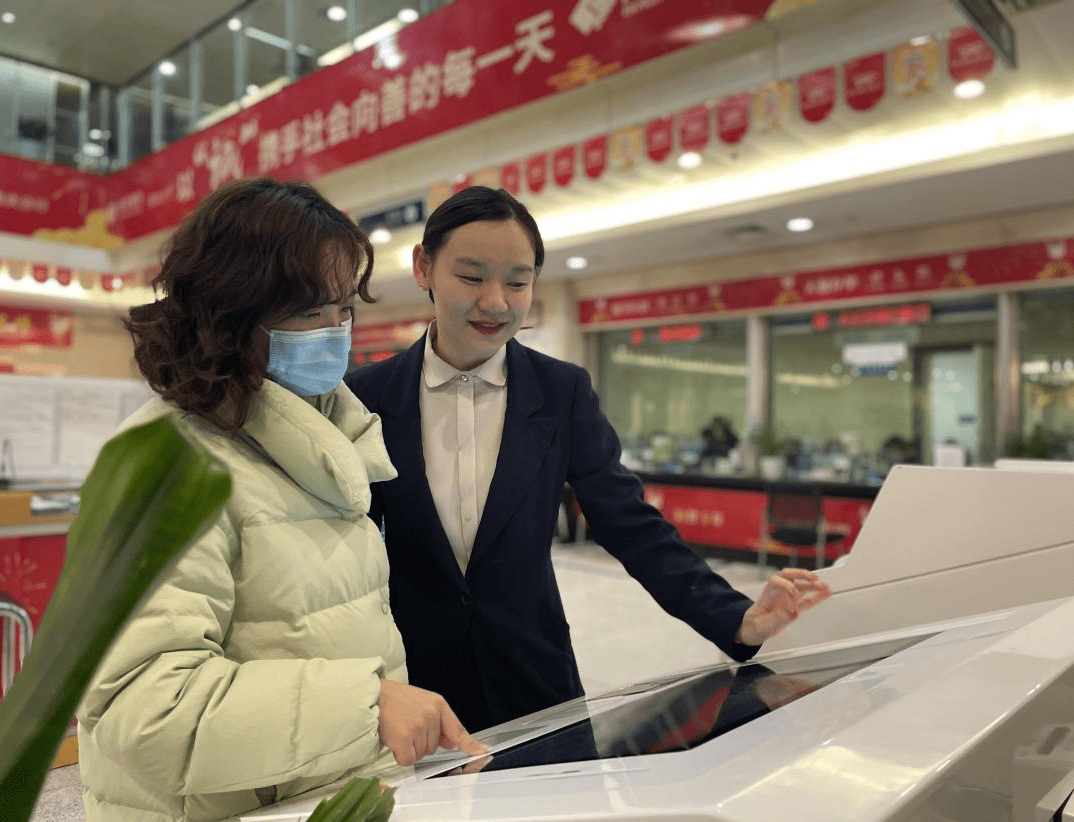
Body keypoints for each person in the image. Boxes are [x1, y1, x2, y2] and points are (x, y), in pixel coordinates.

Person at [346, 186, 832, 733]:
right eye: (472, 277)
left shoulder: (560, 392)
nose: (496, 302)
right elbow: (343, 554)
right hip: (410, 682)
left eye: (517, 281)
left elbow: (630, 524)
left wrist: (735, 617)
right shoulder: (364, 397)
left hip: (535, 679)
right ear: (423, 268)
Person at [76, 178, 486, 822]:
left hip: (316, 798)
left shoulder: (324, 443)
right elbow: (140, 708)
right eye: (306, 312)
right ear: (228, 311)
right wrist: (365, 705)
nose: (332, 333)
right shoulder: (170, 467)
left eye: (344, 310)